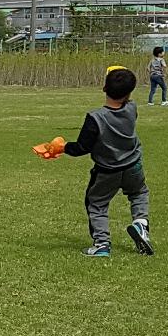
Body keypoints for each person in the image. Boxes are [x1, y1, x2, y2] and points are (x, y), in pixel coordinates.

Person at [47, 66, 152, 257]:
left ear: (104, 88)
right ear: (130, 92)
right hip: (133, 165)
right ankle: (141, 223)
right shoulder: (132, 108)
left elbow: (82, 147)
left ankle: (102, 243)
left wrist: (62, 147)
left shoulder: (95, 118)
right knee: (139, 193)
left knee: (96, 204)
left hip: (107, 171)